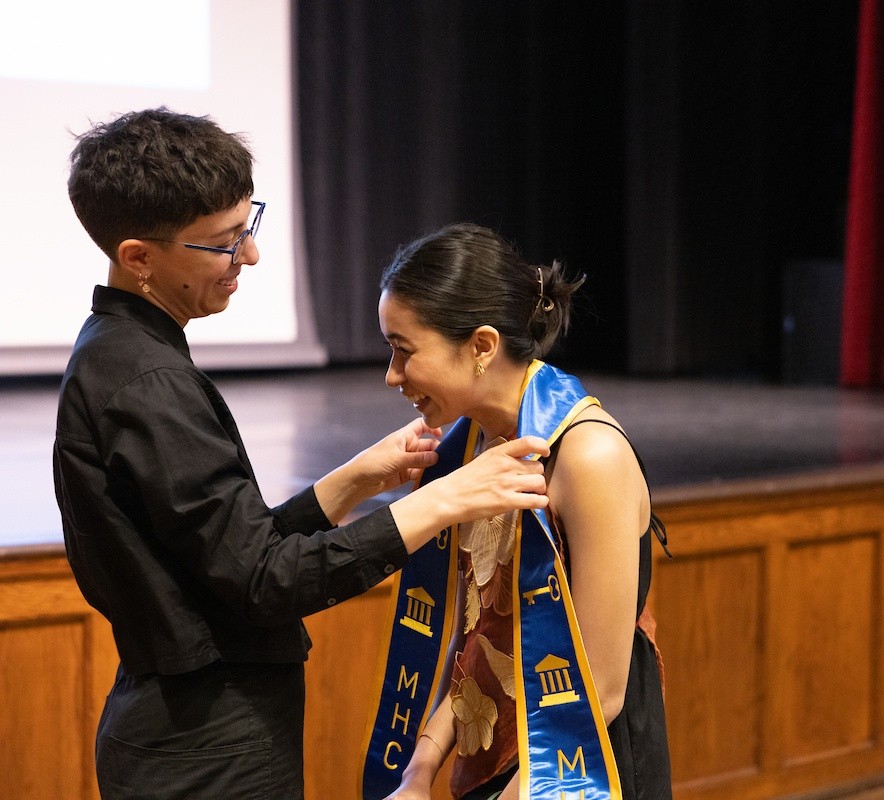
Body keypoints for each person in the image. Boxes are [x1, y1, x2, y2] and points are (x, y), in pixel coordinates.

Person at [52, 108, 551, 800]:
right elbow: (262, 583)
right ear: (140, 257)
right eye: (224, 244)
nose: (248, 257)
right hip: (204, 749)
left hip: (191, 729)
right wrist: (442, 501)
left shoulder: (123, 355)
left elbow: (225, 556)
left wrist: (348, 484)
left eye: (246, 227)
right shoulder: (149, 383)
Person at [362, 223, 671, 800]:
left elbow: (601, 690)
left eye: (404, 351)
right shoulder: (472, 444)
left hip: (580, 767)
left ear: (481, 346)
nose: (392, 375)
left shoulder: (589, 455)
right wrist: (419, 769)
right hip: (504, 756)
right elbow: (478, 638)